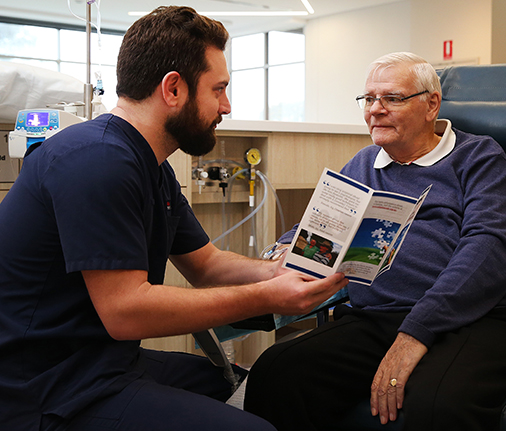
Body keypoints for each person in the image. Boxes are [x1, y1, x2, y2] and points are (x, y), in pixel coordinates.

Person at [0, 6, 347, 431]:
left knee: (259, 389)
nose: (227, 105)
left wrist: (278, 269)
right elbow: (126, 311)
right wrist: (270, 296)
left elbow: (207, 265)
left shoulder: (152, 166)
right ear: (173, 89)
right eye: (218, 89)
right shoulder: (98, 161)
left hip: (101, 361)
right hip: (44, 386)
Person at [243, 52, 506, 431]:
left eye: (392, 98)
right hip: (376, 317)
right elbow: (317, 226)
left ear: (431, 104)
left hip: (477, 319)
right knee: (276, 372)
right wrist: (284, 251)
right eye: (368, 99)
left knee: (435, 405)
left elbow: (490, 249)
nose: (375, 110)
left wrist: (416, 331)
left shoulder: (478, 157)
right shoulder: (365, 163)